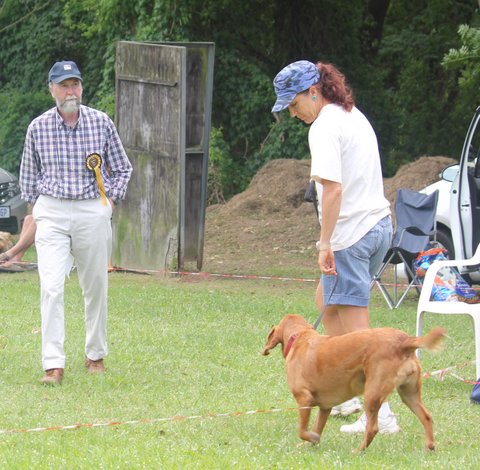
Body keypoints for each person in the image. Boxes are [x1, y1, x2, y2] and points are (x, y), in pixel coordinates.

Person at [271, 60, 398, 434]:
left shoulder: (324, 126)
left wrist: (324, 243)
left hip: (352, 235)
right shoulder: (351, 114)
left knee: (361, 334)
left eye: (294, 104)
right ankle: (346, 392)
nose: (293, 113)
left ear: (313, 91)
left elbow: (332, 189)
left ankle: (381, 416)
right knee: (325, 300)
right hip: (378, 226)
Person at [19, 60, 133, 385]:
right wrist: (39, 209)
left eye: (75, 84)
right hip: (52, 211)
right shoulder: (38, 127)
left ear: (81, 87)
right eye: (64, 85)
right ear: (51, 90)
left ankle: (95, 355)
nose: (71, 91)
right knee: (51, 286)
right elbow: (28, 178)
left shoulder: (101, 122)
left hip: (91, 209)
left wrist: (108, 202)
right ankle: (53, 365)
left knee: (95, 285)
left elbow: (122, 168)